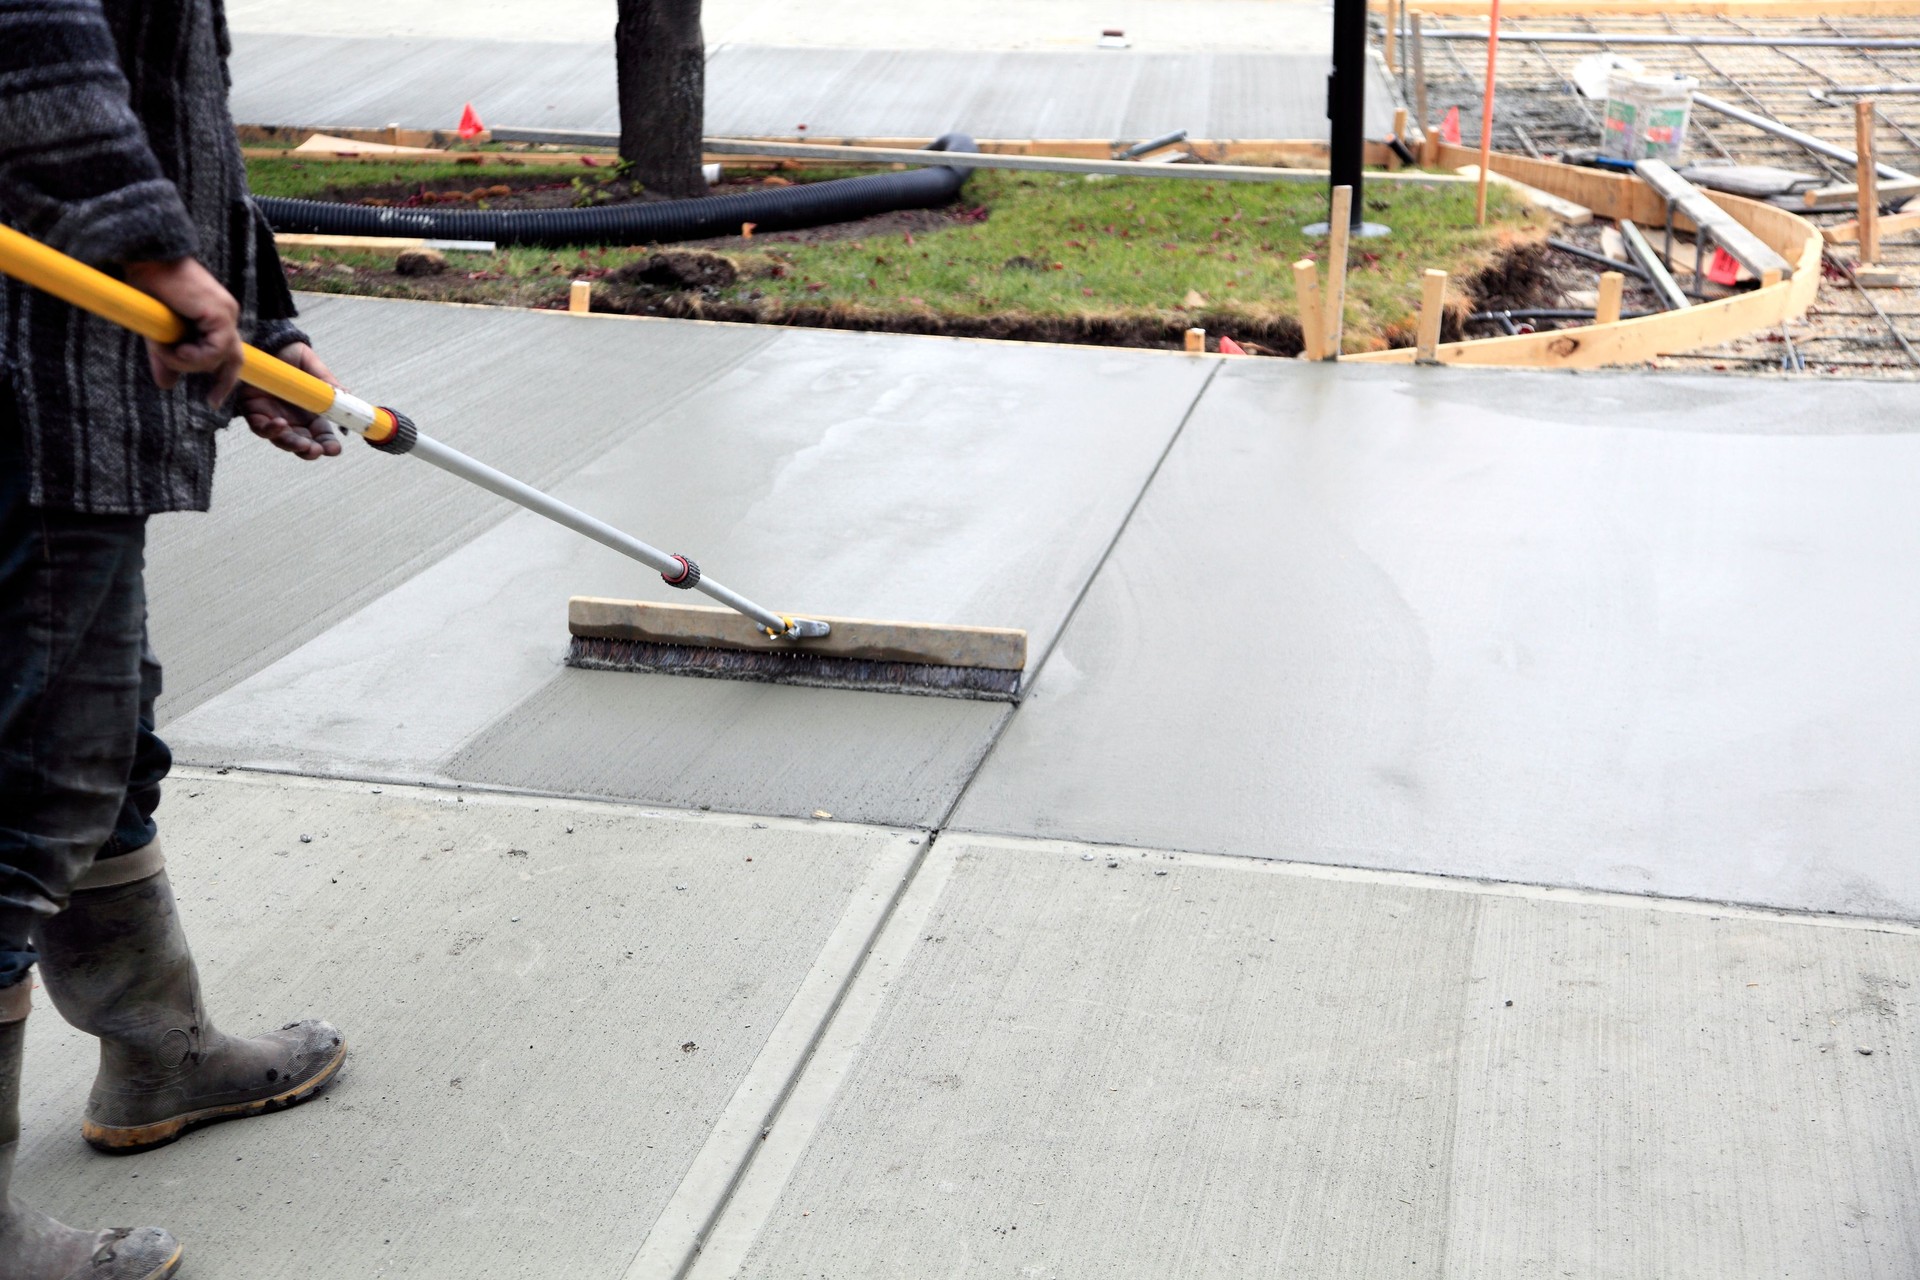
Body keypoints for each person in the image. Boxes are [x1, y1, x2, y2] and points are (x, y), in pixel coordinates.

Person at [1, 2, 351, 1275]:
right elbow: (28, 40)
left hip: (93, 375)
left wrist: (255, 304)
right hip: (30, 373)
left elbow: (162, 91)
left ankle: (159, 1048)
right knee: (24, 787)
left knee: (93, 742)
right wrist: (159, 257)